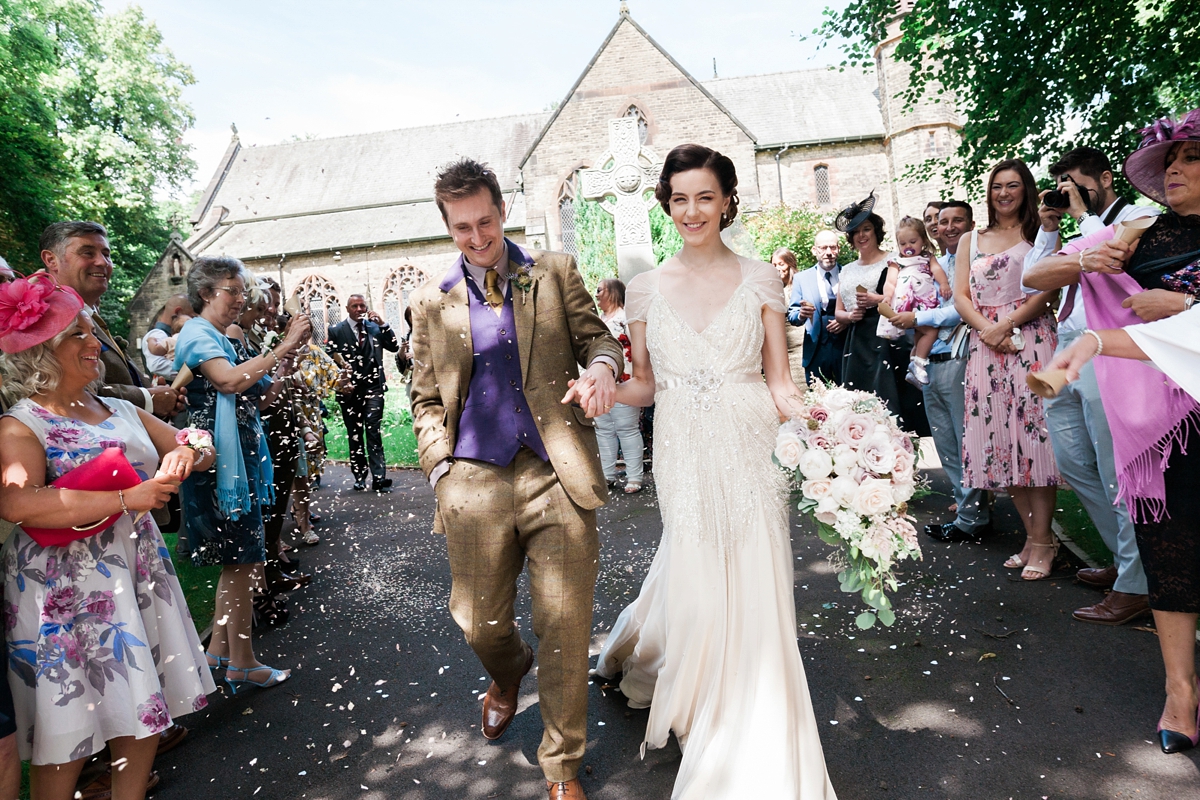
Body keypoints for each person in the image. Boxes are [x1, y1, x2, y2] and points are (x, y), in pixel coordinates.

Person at [593, 144, 838, 799]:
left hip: (751, 443)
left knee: (756, 582)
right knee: (700, 585)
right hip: (683, 449)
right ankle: (704, 708)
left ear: (727, 199)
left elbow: (782, 383)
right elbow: (645, 385)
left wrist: (828, 431)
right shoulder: (643, 289)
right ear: (667, 204)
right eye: (680, 198)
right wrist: (607, 391)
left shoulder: (763, 279)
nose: (692, 210)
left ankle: (749, 727)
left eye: (705, 196)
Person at [408, 158, 623, 800]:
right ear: (447, 226)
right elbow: (423, 401)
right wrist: (439, 467)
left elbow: (598, 342)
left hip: (556, 470)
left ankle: (562, 768)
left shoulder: (553, 273)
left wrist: (606, 370)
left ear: (502, 211)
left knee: (564, 622)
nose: (477, 238)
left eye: (485, 222)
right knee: (478, 621)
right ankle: (507, 674)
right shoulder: (429, 302)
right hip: (473, 478)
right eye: (461, 228)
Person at [0, 273, 215, 799]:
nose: (94, 342)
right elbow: (16, 502)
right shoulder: (20, 423)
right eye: (77, 335)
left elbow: (193, 438)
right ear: (38, 354)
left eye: (91, 330)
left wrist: (188, 450)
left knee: (140, 706)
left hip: (133, 572)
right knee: (66, 724)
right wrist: (128, 500)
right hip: (61, 591)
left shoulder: (119, 409)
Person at [1044, 109, 1200, 753]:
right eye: (1170, 162)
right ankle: (1181, 694)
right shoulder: (1144, 232)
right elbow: (1035, 276)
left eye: (1192, 159)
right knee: (1172, 550)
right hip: (1169, 421)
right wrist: (1091, 259)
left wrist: (1188, 306)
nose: (1177, 171)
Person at [1022, 147, 1158, 625]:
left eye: (1076, 184)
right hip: (1067, 350)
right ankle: (1128, 562)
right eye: (1061, 185)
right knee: (1076, 465)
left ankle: (1136, 585)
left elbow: (1112, 257)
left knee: (1118, 470)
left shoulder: (1140, 217)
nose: (1067, 192)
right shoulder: (1079, 231)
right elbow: (1033, 275)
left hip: (1113, 353)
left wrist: (1082, 220)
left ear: (1103, 178)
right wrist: (1052, 226)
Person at [175, 255, 311, 693]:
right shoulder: (198, 333)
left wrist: (282, 363)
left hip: (236, 464)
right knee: (243, 562)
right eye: (232, 290)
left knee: (243, 561)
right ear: (205, 294)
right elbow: (230, 382)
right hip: (220, 469)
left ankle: (224, 654)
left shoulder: (212, 334)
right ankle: (239, 660)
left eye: (241, 290)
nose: (241, 299)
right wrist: (285, 345)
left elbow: (250, 390)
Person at [953, 159, 1060, 579]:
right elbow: (961, 296)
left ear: (1026, 190)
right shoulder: (969, 240)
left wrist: (1008, 324)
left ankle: (1044, 542)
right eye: (997, 186)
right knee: (1001, 444)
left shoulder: (1039, 233)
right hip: (986, 346)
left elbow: (1050, 286)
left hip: (1031, 340)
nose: (1004, 193)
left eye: (1013, 185)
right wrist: (988, 330)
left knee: (1034, 441)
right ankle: (1035, 540)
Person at [892, 201, 993, 543]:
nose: (947, 226)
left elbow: (959, 310)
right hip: (929, 361)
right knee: (946, 442)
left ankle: (972, 519)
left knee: (964, 441)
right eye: (940, 221)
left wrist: (917, 319)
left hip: (957, 356)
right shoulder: (932, 264)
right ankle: (970, 515)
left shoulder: (975, 261)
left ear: (971, 223)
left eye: (956, 221)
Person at [39, 222, 182, 419]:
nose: (102, 262)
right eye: (87, 253)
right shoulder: (45, 314)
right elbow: (62, 388)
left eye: (106, 254)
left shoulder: (87, 312)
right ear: (51, 260)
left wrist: (156, 392)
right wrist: (147, 399)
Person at [833, 193, 929, 435]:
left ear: (876, 232)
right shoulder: (846, 270)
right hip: (855, 341)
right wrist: (850, 317)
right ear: (851, 238)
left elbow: (907, 301)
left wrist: (876, 300)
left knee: (887, 398)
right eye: (856, 232)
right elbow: (838, 312)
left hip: (884, 337)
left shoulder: (893, 261)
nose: (862, 235)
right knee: (858, 402)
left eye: (866, 229)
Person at [327, 294, 399, 492]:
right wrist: (342, 377)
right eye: (355, 306)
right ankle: (359, 476)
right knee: (355, 434)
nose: (359, 309)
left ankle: (379, 477)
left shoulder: (375, 328)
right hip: (350, 391)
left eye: (362, 306)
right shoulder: (336, 330)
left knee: (373, 431)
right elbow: (328, 357)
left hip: (374, 387)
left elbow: (394, 346)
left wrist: (384, 324)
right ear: (347, 308)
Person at [876, 216, 951, 386]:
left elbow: (937, 270)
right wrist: (887, 296)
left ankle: (913, 364)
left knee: (920, 334)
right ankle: (919, 363)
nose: (908, 247)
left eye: (912, 241)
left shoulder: (928, 257)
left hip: (924, 303)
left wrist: (944, 283)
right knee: (931, 331)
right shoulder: (897, 262)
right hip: (907, 304)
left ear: (923, 241)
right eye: (903, 244)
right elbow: (890, 281)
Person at [594, 278, 645, 494]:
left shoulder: (627, 319)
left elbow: (639, 350)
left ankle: (634, 477)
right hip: (599, 386)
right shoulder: (597, 320)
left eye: (599, 290)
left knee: (627, 429)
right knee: (604, 431)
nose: (596, 294)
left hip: (625, 384)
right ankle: (607, 475)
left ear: (613, 292)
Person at [293, 328, 341, 544]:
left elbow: (334, 374)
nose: (303, 337)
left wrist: (343, 380)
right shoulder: (283, 352)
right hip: (293, 412)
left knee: (311, 463)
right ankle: (297, 512)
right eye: (299, 332)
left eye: (307, 333)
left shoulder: (314, 352)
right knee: (296, 465)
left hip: (312, 413)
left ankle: (304, 508)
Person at [788, 230, 846, 385]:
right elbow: (792, 315)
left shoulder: (848, 273)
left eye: (833, 248)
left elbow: (862, 309)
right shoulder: (802, 279)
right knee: (818, 404)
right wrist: (801, 314)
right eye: (823, 248)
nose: (828, 253)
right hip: (816, 350)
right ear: (815, 250)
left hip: (846, 348)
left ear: (838, 249)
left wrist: (846, 321)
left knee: (852, 400)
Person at [772, 248, 808, 385]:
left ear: (790, 264)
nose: (777, 269)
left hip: (804, 346)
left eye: (781, 264)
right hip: (786, 350)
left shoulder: (801, 286)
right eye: (774, 265)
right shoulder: (772, 290)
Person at [141, 295, 192, 381]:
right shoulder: (157, 334)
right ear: (178, 312)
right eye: (192, 316)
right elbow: (157, 366)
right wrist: (195, 372)